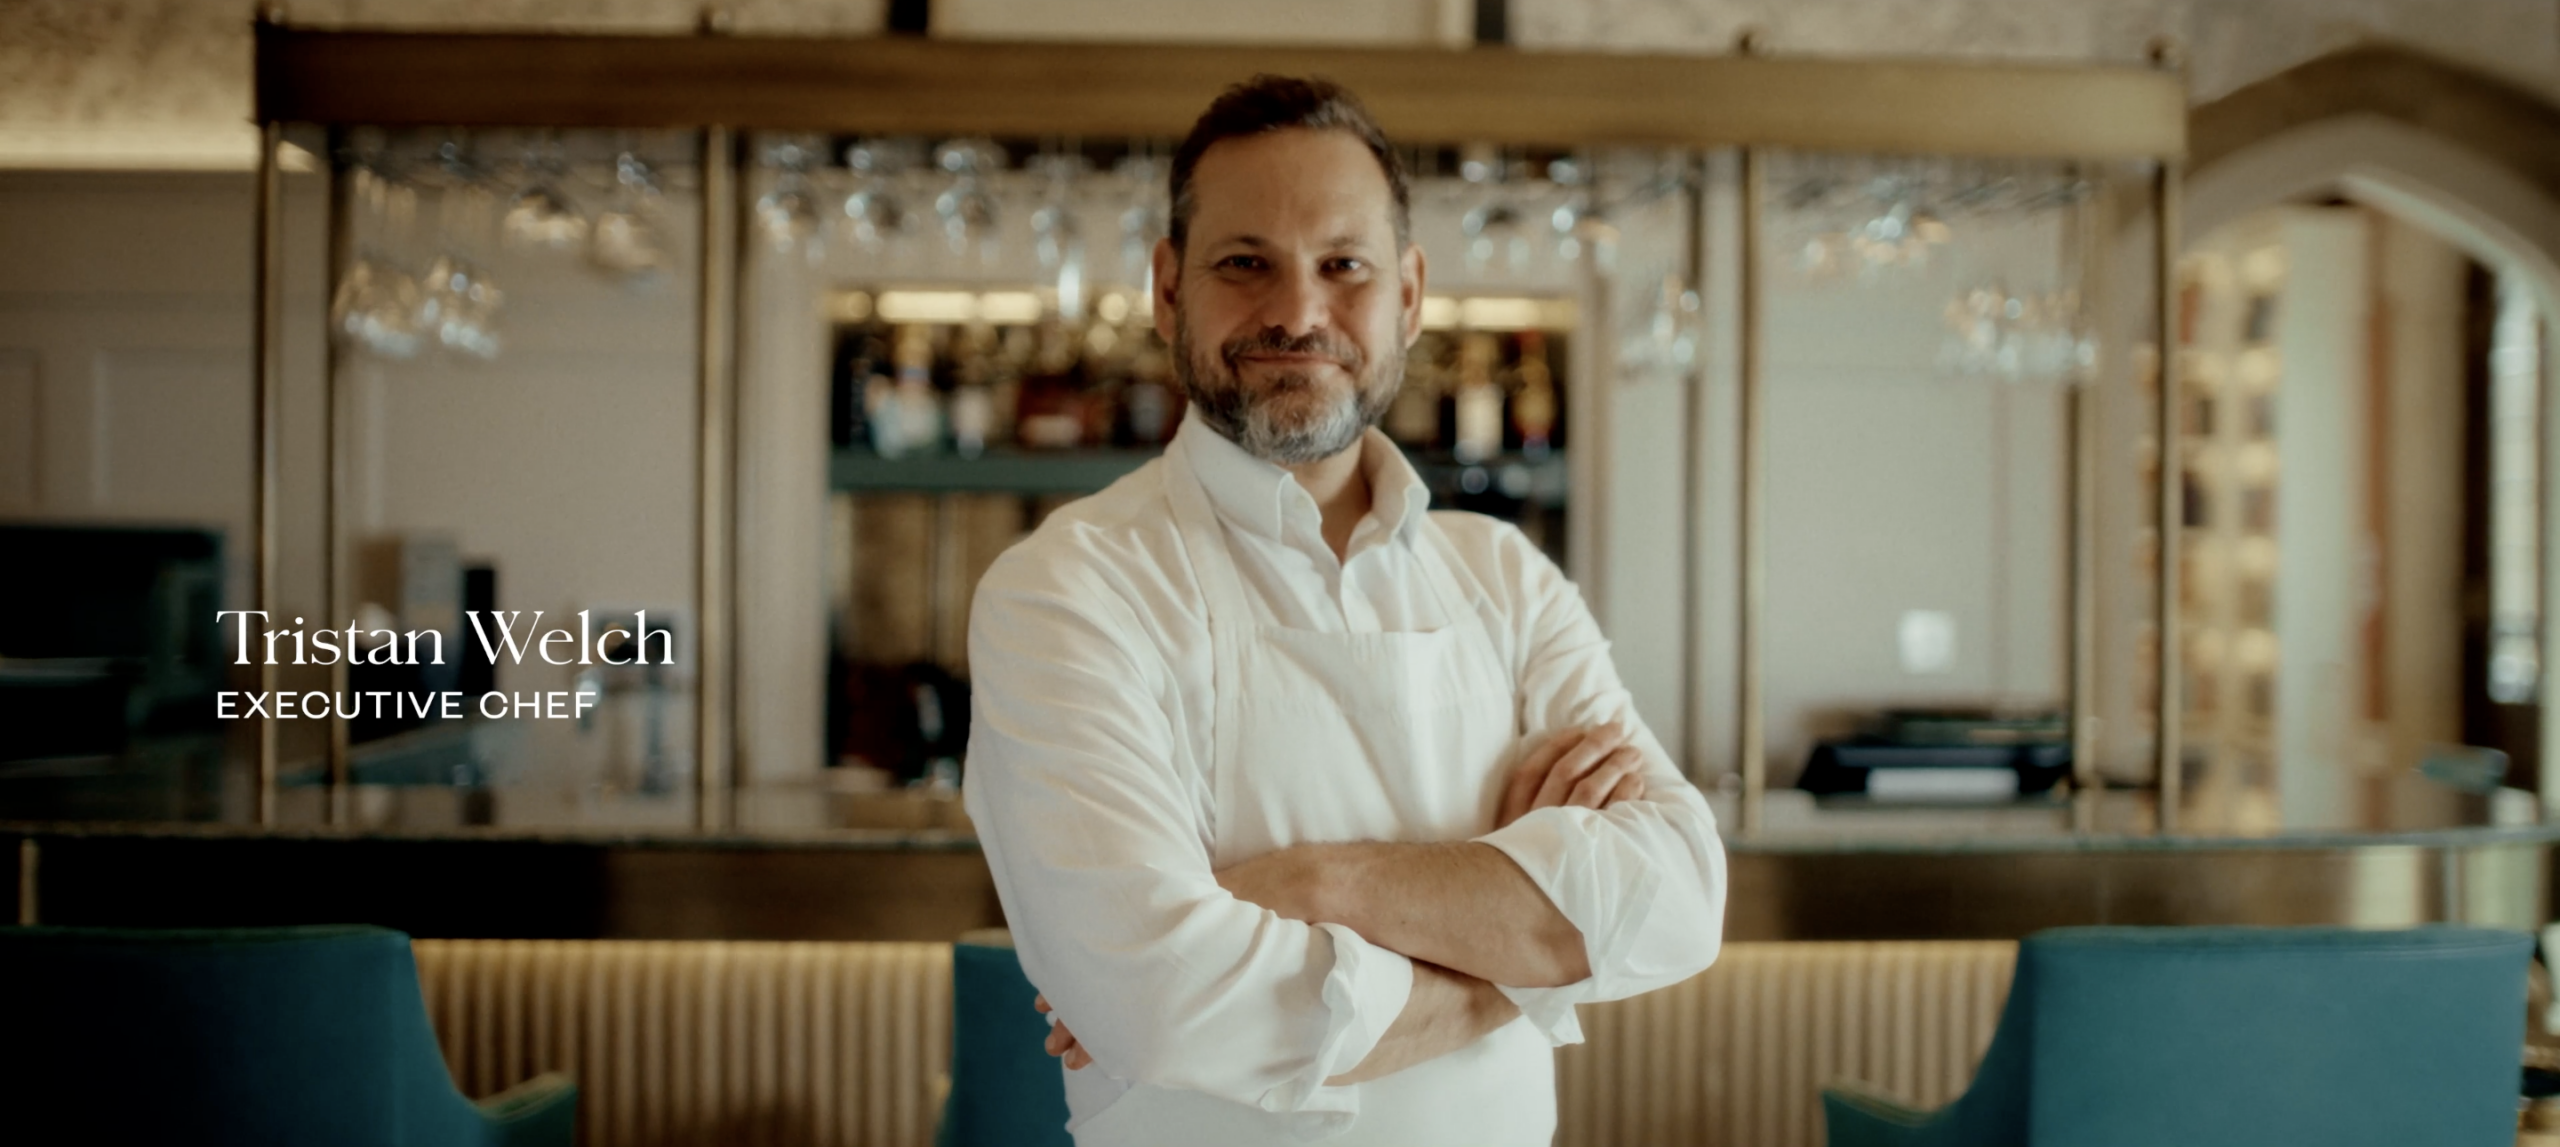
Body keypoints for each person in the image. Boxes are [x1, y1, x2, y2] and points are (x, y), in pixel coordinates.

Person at [962, 75, 1728, 1146]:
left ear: (1408, 295)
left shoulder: (1506, 578)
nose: (1297, 311)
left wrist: (1317, 881)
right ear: (1168, 288)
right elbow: (1166, 1003)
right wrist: (1536, 961)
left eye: (1343, 266)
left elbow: (1682, 895)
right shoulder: (1067, 589)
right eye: (1245, 264)